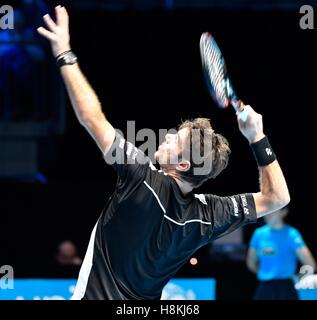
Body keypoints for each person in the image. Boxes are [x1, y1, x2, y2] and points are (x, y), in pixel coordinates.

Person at [37, 6, 290, 300]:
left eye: (174, 140)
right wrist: (257, 137)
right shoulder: (209, 215)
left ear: (182, 163)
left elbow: (91, 118)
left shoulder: (141, 178)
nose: (167, 137)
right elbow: (278, 198)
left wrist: (64, 54)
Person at [246, 207, 316, 300]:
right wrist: (265, 273)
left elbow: (310, 265)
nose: (268, 214)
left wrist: (296, 278)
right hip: (264, 288)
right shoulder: (258, 234)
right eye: (267, 210)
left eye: (272, 210)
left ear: (284, 212)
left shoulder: (292, 234)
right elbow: (251, 263)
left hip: (286, 288)